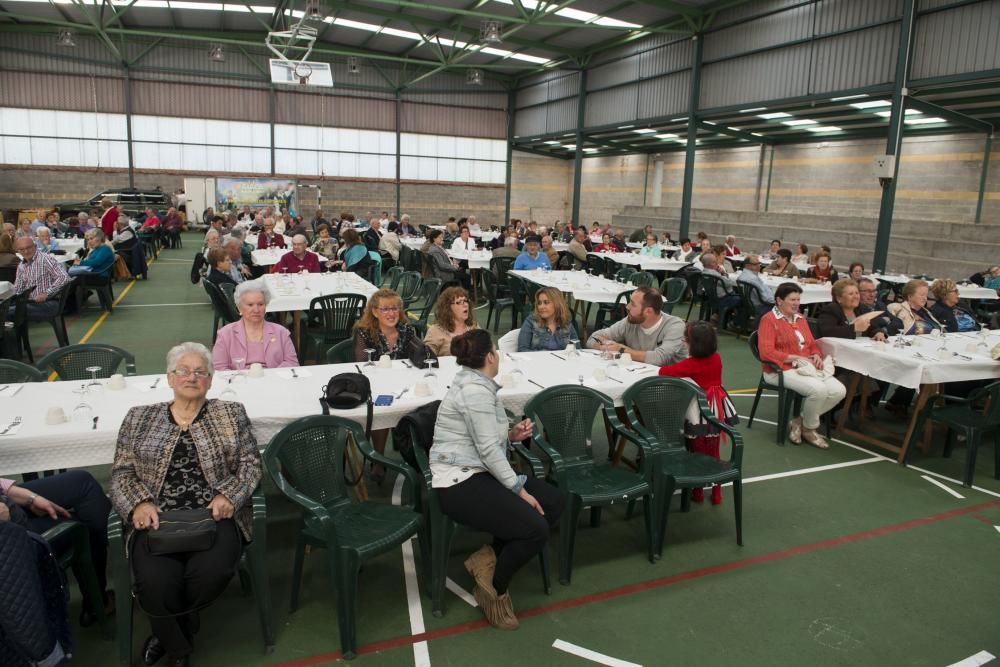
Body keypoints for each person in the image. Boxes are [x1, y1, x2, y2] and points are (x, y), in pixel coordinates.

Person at [111, 342, 263, 667]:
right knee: (154, 583)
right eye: (183, 370)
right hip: (156, 518)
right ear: (169, 378)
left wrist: (230, 496)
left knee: (212, 573)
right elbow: (122, 472)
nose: (191, 377)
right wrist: (138, 504)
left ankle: (167, 634)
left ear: (209, 380)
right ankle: (180, 647)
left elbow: (251, 465)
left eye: (200, 372)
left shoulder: (230, 414)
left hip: (214, 517)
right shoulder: (139, 418)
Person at [429, 329, 563, 630]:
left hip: (480, 470)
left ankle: (486, 559)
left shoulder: (477, 383)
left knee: (552, 503)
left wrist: (510, 435)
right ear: (490, 356)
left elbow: (484, 438)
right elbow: (488, 450)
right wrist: (518, 489)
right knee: (536, 528)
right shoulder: (476, 391)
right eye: (496, 351)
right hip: (458, 482)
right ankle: (494, 588)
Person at [1, 471, 113, 626]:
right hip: (8, 530)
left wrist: (29, 497)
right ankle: (97, 603)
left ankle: (124, 553)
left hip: (6, 503)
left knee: (82, 482)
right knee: (84, 526)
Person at [657, 322, 738, 505]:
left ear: (693, 344)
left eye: (686, 340)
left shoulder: (692, 364)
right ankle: (717, 492)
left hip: (699, 409)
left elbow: (664, 371)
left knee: (697, 450)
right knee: (714, 450)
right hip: (717, 405)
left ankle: (698, 490)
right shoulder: (716, 358)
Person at [757, 283, 845, 449]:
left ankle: (799, 422)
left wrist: (817, 355)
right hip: (779, 370)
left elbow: (812, 345)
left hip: (806, 367)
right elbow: (766, 353)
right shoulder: (769, 320)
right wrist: (795, 357)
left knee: (839, 391)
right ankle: (810, 430)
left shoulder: (800, 318)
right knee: (818, 390)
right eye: (792, 299)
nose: (796, 303)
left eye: (798, 299)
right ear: (779, 300)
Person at [586, 286, 687, 365]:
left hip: (672, 383)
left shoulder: (675, 326)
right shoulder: (631, 320)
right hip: (639, 375)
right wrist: (604, 346)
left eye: (633, 304)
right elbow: (593, 338)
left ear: (648, 311)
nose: (627, 306)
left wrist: (621, 350)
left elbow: (659, 358)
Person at [212, 280, 298, 370]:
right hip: (240, 381)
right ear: (239, 307)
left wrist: (272, 375)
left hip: (273, 381)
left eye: (260, 304)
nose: (256, 310)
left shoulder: (281, 332)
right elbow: (219, 368)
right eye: (250, 305)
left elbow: (292, 363)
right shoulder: (225, 334)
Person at [9, 235, 70, 319]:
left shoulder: (45, 259)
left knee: (7, 312)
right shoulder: (21, 265)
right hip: (30, 302)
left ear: (35, 246)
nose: (26, 252)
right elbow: (18, 288)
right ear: (18, 251)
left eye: (29, 248)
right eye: (22, 249)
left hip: (49, 303)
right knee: (5, 309)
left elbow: (64, 277)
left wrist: (47, 293)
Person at [816, 279, 889, 341]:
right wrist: (854, 327)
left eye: (857, 293)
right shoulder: (831, 310)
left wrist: (878, 333)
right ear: (839, 298)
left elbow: (873, 327)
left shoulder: (862, 308)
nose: (856, 297)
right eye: (851, 294)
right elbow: (827, 332)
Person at [517, 287, 578, 352]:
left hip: (562, 361)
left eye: (546, 302)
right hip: (537, 361)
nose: (541, 307)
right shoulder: (531, 321)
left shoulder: (566, 321)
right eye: (539, 303)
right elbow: (522, 349)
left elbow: (577, 348)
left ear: (557, 304)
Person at [424, 286, 478, 356]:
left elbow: (486, 348)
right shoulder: (435, 331)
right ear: (448, 308)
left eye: (465, 301)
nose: (465, 305)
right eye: (459, 302)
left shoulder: (474, 326)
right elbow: (426, 356)